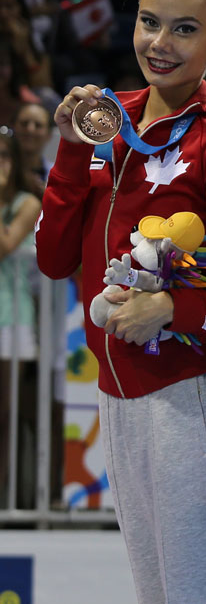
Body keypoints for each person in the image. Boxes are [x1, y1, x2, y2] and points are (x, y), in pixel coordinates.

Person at [35, 0, 206, 603]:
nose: (160, 42)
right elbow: (55, 261)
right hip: (119, 402)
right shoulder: (107, 123)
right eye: (149, 21)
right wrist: (68, 150)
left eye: (186, 28)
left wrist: (172, 309)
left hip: (190, 405)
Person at [0, 130, 44, 509]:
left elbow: (4, 245)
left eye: (3, 155)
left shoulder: (26, 203)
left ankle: (6, 501)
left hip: (10, 320)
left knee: (4, 415)